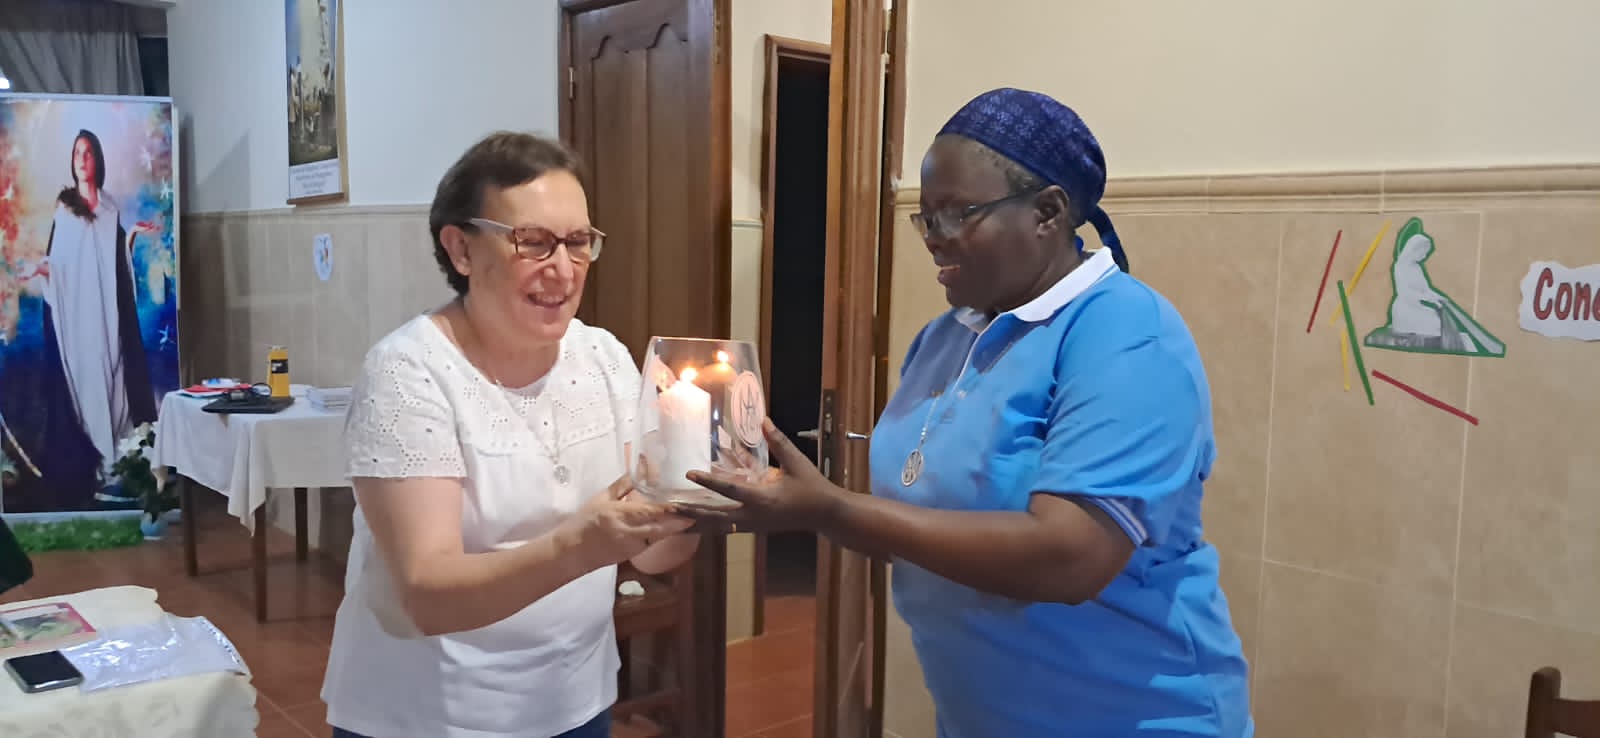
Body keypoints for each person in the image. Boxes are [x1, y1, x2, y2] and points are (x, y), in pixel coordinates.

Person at [683, 88, 1253, 738]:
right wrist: (793, 500)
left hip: (1131, 718)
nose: (934, 238)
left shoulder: (1126, 335)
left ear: (1047, 212)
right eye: (926, 217)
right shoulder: (944, 338)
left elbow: (1070, 558)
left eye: (958, 214)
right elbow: (915, 518)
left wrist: (828, 510)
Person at [322, 131, 699, 738]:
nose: (563, 270)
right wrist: (582, 544)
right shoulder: (408, 373)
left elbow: (651, 553)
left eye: (578, 242)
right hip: (432, 714)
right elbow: (429, 595)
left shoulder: (603, 357)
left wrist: (692, 504)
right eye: (533, 242)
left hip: (574, 697)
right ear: (461, 250)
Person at [7, 128, 158, 510]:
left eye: (88, 152)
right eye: (77, 152)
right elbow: (60, 264)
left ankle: (119, 470)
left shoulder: (109, 211)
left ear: (97, 160)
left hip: (109, 319)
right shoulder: (66, 212)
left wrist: (130, 237)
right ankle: (100, 469)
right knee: (88, 393)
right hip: (79, 323)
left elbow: (115, 267)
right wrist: (41, 270)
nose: (82, 159)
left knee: (117, 389)